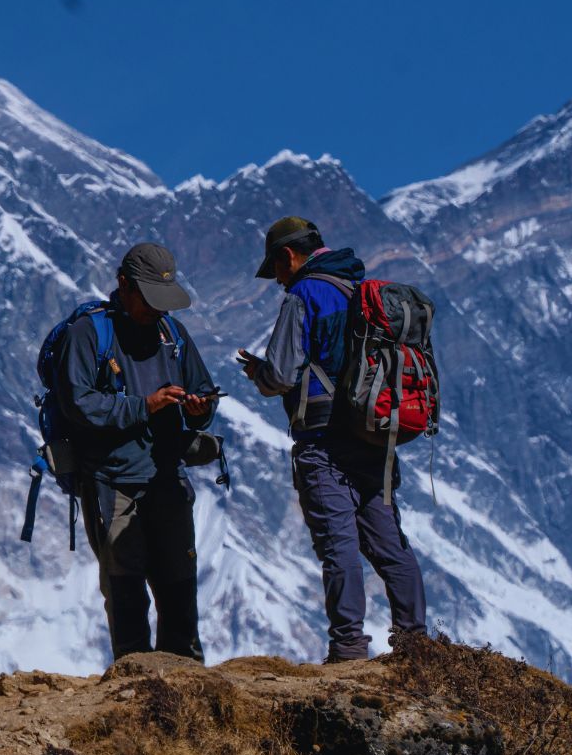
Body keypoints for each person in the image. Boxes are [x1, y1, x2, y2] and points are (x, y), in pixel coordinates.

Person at [237, 217, 426, 662]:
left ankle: (348, 648)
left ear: (288, 256)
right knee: (388, 541)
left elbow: (281, 374)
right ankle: (417, 647)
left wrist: (257, 372)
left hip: (323, 439)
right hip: (373, 435)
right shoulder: (362, 290)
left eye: (277, 269)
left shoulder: (304, 294)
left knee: (338, 545)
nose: (278, 280)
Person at [55, 242, 219, 661]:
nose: (157, 310)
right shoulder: (89, 335)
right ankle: (135, 678)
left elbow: (201, 389)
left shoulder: (172, 335)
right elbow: (78, 404)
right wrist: (144, 406)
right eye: (149, 299)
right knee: (126, 589)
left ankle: (185, 675)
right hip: (113, 481)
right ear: (124, 285)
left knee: (179, 582)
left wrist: (201, 410)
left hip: (167, 475)